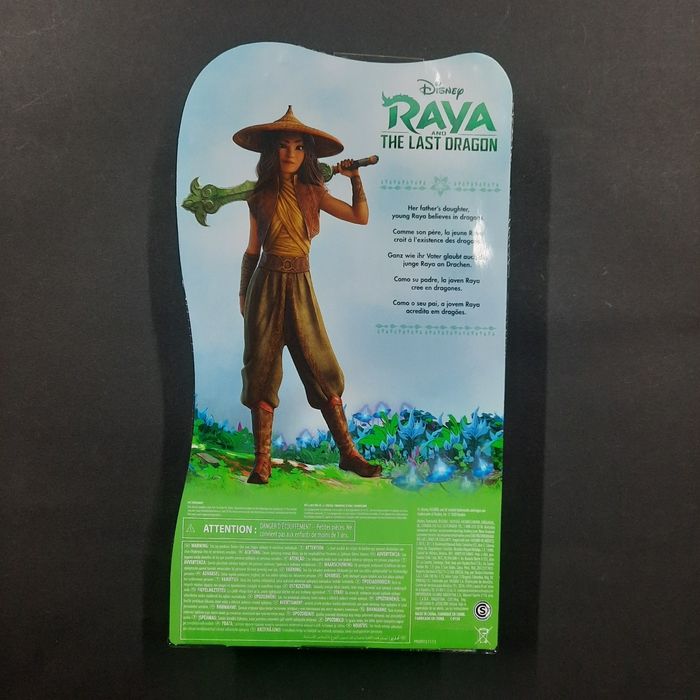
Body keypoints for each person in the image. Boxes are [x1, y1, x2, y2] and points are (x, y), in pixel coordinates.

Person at [233, 106, 381, 484]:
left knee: (321, 365)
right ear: (272, 151)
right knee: (261, 368)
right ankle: (262, 462)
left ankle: (348, 453)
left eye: (299, 147)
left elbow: (360, 216)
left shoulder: (314, 193)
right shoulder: (258, 197)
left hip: (300, 286)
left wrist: (355, 179)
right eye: (283, 146)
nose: (290, 154)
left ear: (307, 155)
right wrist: (244, 293)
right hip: (265, 287)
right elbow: (252, 250)